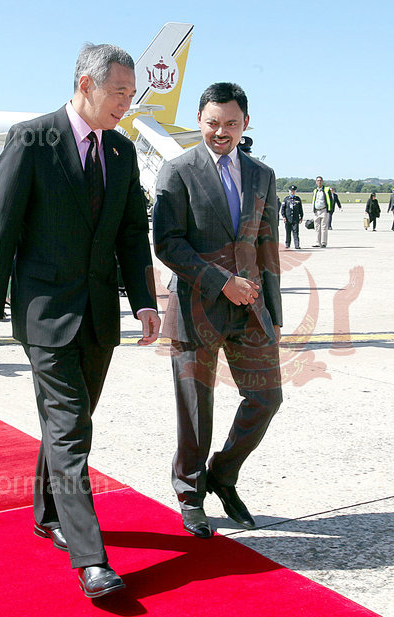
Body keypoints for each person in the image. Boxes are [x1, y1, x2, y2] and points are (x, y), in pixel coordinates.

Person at [0, 43, 160, 598]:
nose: (126, 103)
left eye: (131, 93)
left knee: (67, 423)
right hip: (44, 312)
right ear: (86, 84)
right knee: (72, 428)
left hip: (99, 314)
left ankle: (47, 512)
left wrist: (144, 301)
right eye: (119, 91)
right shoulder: (32, 138)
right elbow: (1, 225)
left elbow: (131, 233)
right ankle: (91, 558)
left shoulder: (121, 151)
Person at [153, 82, 282, 539]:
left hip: (250, 308)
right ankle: (190, 494)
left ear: (246, 123)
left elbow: (267, 244)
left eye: (230, 123)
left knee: (266, 399)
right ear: (199, 121)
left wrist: (274, 312)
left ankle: (222, 475)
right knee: (195, 408)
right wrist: (220, 281)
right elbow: (167, 243)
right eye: (212, 123)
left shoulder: (262, 174)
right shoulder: (177, 170)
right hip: (196, 307)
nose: (221, 131)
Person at [311, 176, 332, 247]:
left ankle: (323, 243)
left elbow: (330, 200)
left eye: (320, 180)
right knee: (317, 227)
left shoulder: (326, 190)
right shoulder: (315, 191)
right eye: (318, 180)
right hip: (316, 211)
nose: (319, 182)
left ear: (322, 182)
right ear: (316, 182)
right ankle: (318, 243)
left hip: (324, 210)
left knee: (324, 227)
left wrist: (329, 210)